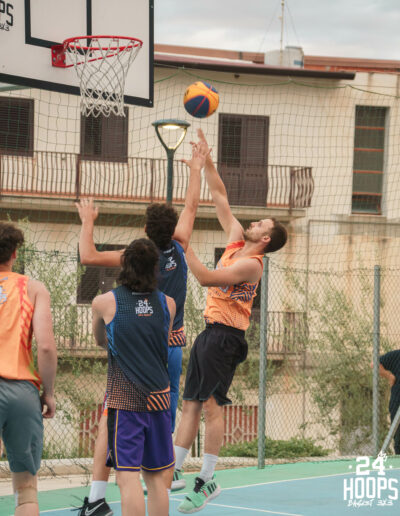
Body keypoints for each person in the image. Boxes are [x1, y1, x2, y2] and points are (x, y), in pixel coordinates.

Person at [75, 140, 209, 516]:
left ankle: (97, 494)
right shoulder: (179, 249)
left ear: (145, 229)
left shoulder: (135, 256)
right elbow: (192, 207)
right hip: (170, 349)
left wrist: (88, 221)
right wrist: (196, 169)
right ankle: (168, 470)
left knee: (115, 429)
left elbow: (87, 255)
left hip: (133, 355)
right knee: (157, 456)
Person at [172, 129, 288, 514]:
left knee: (211, 405)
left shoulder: (252, 265)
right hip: (211, 334)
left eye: (261, 224)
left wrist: (183, 248)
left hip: (226, 338)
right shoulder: (237, 240)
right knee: (191, 403)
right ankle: (173, 471)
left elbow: (206, 278)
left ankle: (206, 479)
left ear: (266, 239)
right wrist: (206, 160)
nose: (254, 223)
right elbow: (219, 194)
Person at [91, 238, 176, 516]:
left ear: (124, 264)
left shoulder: (104, 302)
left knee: (127, 477)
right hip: (160, 399)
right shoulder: (168, 304)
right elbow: (162, 341)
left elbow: (100, 340)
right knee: (155, 478)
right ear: (155, 268)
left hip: (126, 402)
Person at [0, 222, 57, 516]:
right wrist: (49, 393)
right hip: (21, 392)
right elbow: (45, 346)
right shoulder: (33, 288)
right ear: (15, 253)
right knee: (26, 491)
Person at [378, 350, 400, 454]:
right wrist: (389, 376)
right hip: (397, 403)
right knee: (398, 436)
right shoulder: (396, 355)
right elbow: (375, 364)